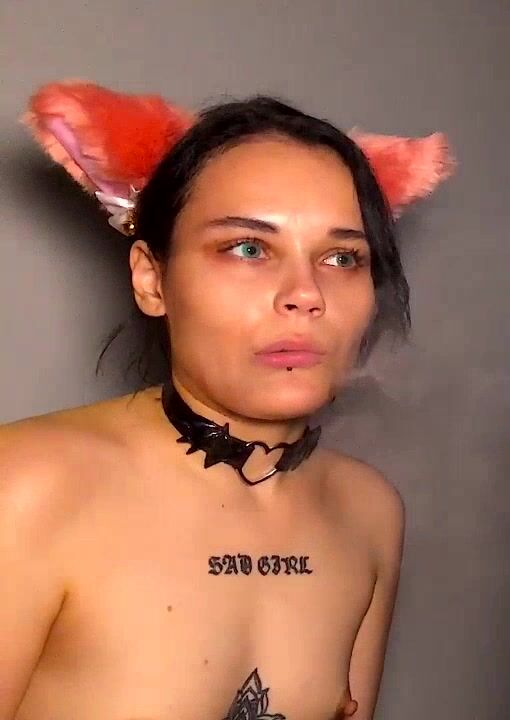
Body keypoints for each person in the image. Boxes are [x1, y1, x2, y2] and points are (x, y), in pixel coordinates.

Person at [1, 81, 451, 720]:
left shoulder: (367, 511)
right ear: (152, 279)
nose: (306, 294)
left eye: (342, 257)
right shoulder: (25, 485)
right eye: (248, 248)